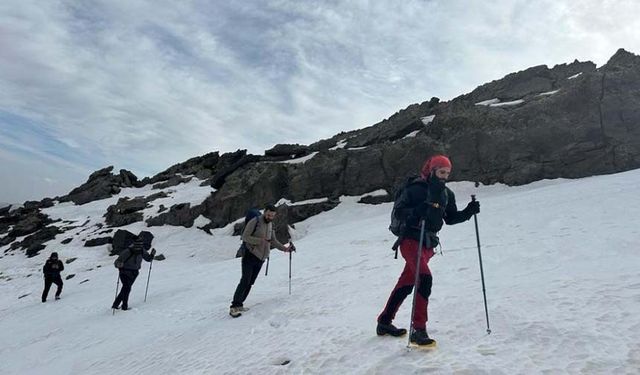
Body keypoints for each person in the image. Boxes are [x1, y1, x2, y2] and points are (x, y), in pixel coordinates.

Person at [377, 155, 480, 346]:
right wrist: (418, 211)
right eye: (441, 172)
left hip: (427, 244)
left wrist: (469, 211)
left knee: (407, 283)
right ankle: (419, 329)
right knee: (424, 278)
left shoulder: (446, 193)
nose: (444, 176)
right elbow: (400, 212)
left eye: (447, 173)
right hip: (410, 240)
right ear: (432, 170)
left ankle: (384, 322)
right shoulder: (416, 188)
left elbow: (450, 218)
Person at [229, 204, 295, 317]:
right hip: (250, 255)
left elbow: (273, 241)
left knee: (250, 282)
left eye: (272, 216)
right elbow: (245, 237)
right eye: (269, 214)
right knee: (245, 280)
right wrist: (260, 241)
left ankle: (239, 305)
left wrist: (286, 249)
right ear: (265, 212)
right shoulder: (255, 221)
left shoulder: (270, 225)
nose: (270, 217)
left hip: (261, 258)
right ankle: (234, 307)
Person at [112, 231, 156, 310]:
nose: (139, 245)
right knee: (127, 288)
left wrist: (152, 255)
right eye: (138, 243)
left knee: (126, 288)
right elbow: (117, 262)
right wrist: (119, 264)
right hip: (126, 272)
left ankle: (115, 305)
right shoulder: (129, 251)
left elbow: (148, 259)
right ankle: (124, 307)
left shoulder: (138, 250)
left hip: (132, 272)